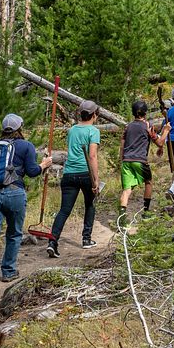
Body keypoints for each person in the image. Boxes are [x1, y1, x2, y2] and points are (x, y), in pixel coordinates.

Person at [0, 114, 53, 289]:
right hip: (15, 194)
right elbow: (33, 171)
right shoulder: (26, 146)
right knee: (14, 234)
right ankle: (8, 271)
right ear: (20, 128)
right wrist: (44, 164)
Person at [47, 100, 102, 257]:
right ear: (94, 114)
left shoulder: (72, 130)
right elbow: (92, 156)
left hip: (69, 173)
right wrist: (96, 179)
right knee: (90, 204)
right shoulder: (93, 131)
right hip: (85, 173)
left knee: (64, 210)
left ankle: (53, 241)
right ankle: (86, 239)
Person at [119, 100, 170, 219]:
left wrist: (122, 159)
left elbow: (122, 145)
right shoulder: (147, 126)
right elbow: (160, 142)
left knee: (126, 190)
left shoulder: (127, 127)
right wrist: (166, 131)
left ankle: (121, 220)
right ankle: (146, 212)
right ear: (145, 113)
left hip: (126, 161)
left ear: (133, 113)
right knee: (148, 182)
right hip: (140, 160)